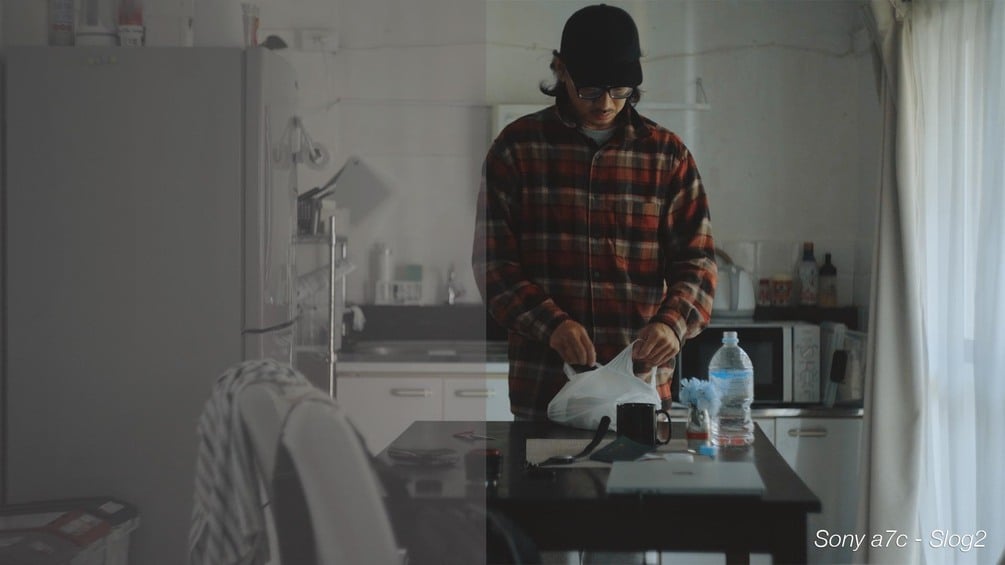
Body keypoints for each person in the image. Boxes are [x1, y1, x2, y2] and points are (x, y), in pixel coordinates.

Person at [473, 4, 717, 422]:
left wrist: (671, 324)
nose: (605, 103)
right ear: (560, 70)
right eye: (589, 90)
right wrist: (552, 325)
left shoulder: (667, 156)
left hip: (638, 388)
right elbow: (493, 265)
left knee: (636, 469)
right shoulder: (517, 149)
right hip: (545, 388)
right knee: (542, 469)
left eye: (619, 90)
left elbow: (698, 263)